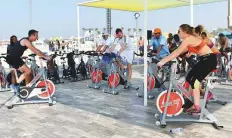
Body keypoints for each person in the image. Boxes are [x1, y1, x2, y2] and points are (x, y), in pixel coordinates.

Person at [157, 24, 217, 113]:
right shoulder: (189, 40)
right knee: (189, 78)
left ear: (184, 32)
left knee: (195, 81)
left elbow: (177, 52)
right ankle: (189, 100)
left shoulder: (188, 39)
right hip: (205, 59)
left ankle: (196, 106)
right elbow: (179, 51)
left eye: (179, 31)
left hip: (209, 60)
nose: (178, 33)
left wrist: (163, 61)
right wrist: (166, 57)